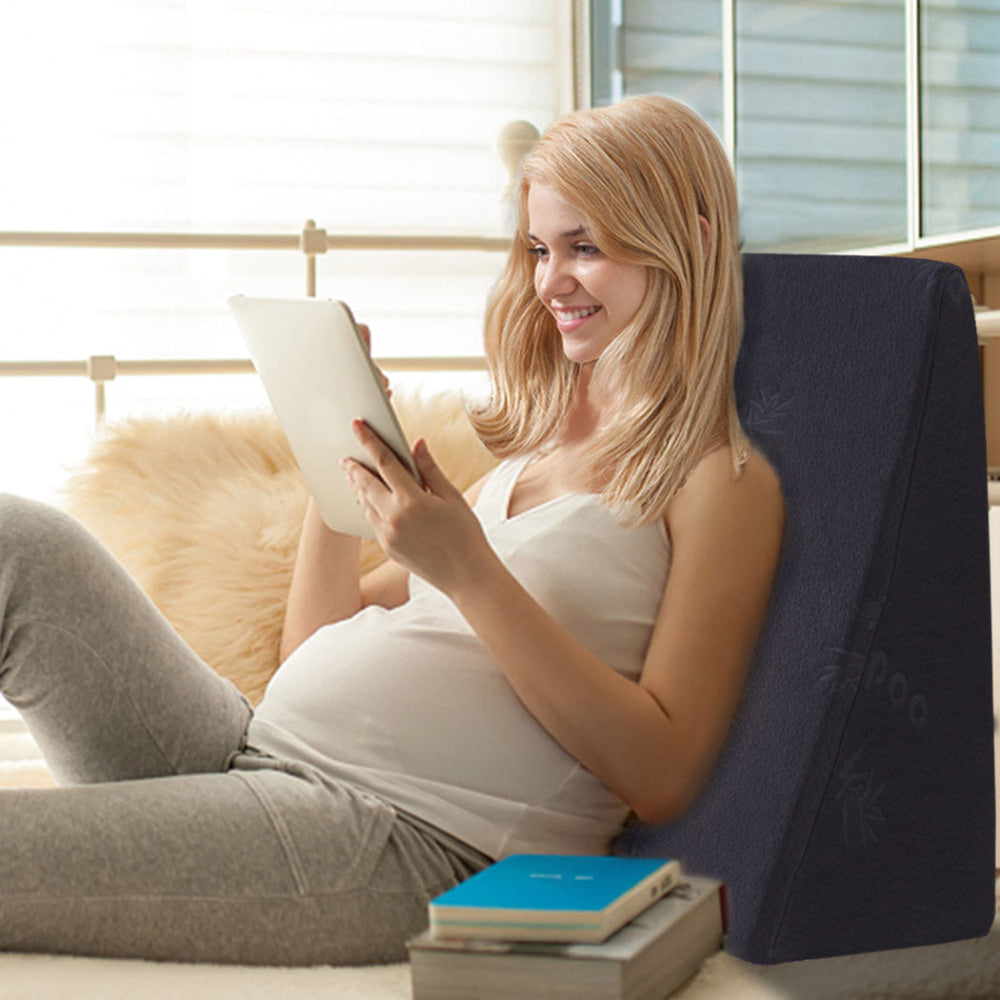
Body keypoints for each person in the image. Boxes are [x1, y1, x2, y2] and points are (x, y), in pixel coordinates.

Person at [0, 95, 783, 966]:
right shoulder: (532, 459)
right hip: (253, 750)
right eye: (538, 249)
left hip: (394, 837)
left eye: (584, 247)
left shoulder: (721, 483)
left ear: (690, 240)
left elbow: (663, 772)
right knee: (19, 545)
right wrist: (338, 456)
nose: (549, 282)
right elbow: (313, 652)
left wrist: (470, 570)